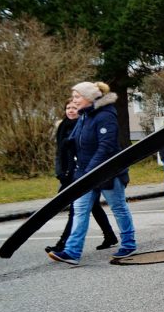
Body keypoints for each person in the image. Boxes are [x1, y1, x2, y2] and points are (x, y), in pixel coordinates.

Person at [48, 81, 137, 264]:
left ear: (89, 98)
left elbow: (106, 146)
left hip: (107, 171)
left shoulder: (106, 115)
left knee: (118, 207)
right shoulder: (84, 115)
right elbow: (78, 137)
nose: (74, 101)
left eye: (77, 97)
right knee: (80, 210)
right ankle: (72, 252)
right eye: (73, 97)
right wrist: (68, 143)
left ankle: (128, 243)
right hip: (85, 173)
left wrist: (91, 170)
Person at [47, 101, 119, 253]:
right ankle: (110, 235)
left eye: (74, 108)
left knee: (76, 209)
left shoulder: (83, 124)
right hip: (68, 174)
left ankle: (63, 245)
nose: (71, 111)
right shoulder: (63, 127)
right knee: (93, 207)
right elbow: (60, 153)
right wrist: (60, 172)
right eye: (68, 108)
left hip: (83, 172)